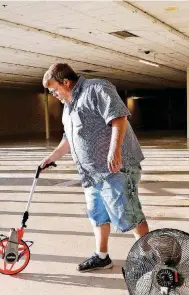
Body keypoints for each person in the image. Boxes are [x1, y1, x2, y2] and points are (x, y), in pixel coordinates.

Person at [40, 63, 149, 272]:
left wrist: (114, 150)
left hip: (116, 168)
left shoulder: (97, 88)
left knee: (129, 214)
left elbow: (119, 117)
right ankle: (102, 257)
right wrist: (51, 157)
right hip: (91, 174)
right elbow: (70, 138)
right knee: (97, 214)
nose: (53, 94)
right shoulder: (69, 106)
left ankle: (150, 257)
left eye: (54, 90)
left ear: (66, 82)